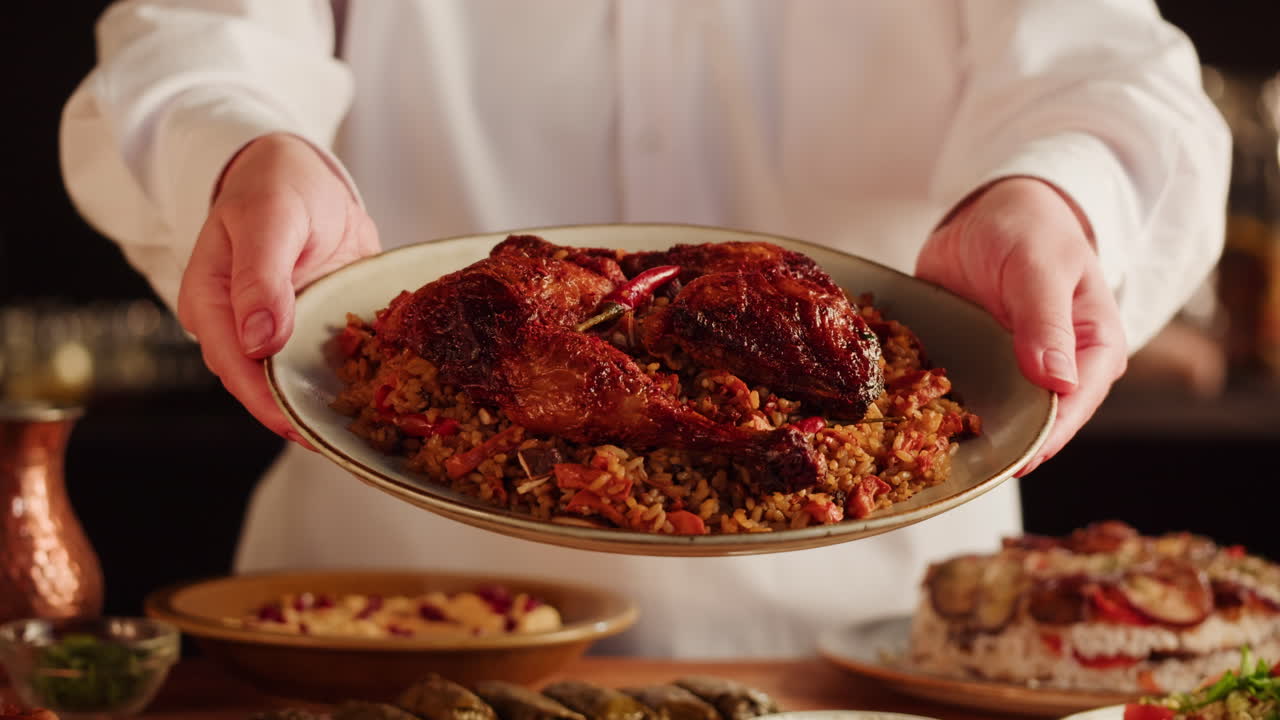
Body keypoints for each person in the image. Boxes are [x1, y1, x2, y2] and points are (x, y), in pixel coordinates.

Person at [61, 1, 1229, 656]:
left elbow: (1107, 69)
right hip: (383, 610)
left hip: (869, 641)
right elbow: (198, 32)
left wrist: (1055, 194)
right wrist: (242, 149)